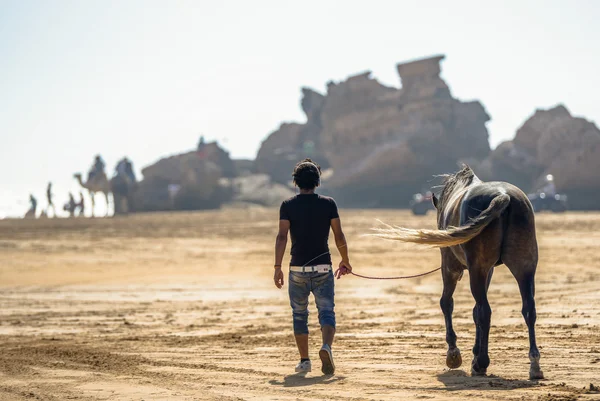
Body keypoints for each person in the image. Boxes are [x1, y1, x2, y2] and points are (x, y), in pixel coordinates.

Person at [274, 158, 352, 375]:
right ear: (317, 181)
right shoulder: (328, 203)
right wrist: (345, 260)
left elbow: (282, 237)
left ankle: (305, 360)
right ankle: (326, 347)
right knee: (326, 312)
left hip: (297, 269)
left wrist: (277, 266)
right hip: (323, 268)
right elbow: (339, 235)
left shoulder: (288, 205)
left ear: (296, 182)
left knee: (299, 315)